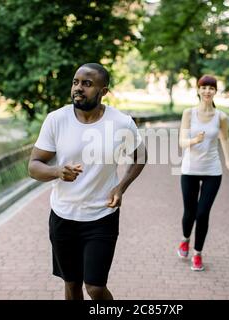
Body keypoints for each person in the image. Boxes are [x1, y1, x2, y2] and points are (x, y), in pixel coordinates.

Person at [28, 63, 146, 300]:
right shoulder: (56, 120)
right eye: (75, 82)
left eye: (87, 84)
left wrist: (120, 187)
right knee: (71, 284)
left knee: (95, 287)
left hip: (101, 217)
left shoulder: (121, 123)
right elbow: (33, 166)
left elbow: (140, 156)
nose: (78, 88)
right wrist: (57, 172)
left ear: (103, 92)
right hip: (63, 216)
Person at [177, 75, 229, 271]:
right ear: (198, 90)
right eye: (204, 87)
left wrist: (228, 160)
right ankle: (185, 239)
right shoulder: (188, 113)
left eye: (211, 88)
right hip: (190, 169)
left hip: (212, 170)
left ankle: (198, 253)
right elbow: (182, 142)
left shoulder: (221, 117)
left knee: (202, 214)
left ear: (215, 92)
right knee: (190, 212)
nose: (207, 91)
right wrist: (195, 140)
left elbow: (224, 139)